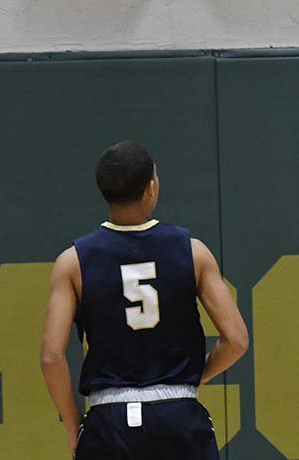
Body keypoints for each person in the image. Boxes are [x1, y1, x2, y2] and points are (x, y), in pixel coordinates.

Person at [39, 141, 249, 460]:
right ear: (151, 188)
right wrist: (191, 381)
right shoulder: (193, 252)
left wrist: (73, 425)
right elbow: (237, 341)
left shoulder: (73, 262)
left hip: (109, 420)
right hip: (179, 417)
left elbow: (51, 357)